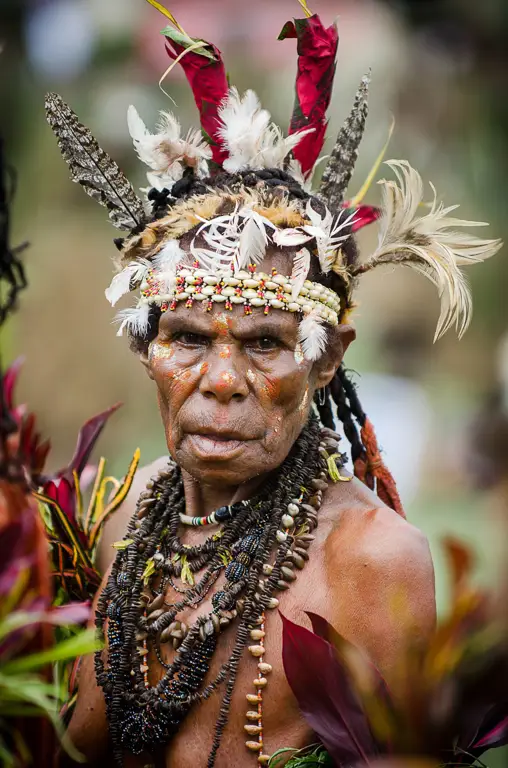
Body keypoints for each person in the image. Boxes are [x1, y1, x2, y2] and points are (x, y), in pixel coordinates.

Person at [46, 8, 501, 767]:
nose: (221, 382)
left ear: (326, 362)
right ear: (145, 346)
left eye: (265, 345)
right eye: (188, 338)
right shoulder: (114, 521)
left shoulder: (373, 563)